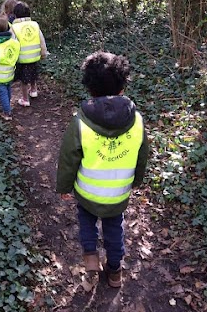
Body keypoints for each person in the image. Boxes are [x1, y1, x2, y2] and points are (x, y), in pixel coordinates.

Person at [56, 51, 149, 288]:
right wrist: (135, 182)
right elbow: (141, 156)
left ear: (90, 89)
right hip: (118, 193)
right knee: (114, 228)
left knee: (87, 224)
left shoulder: (81, 121)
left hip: (87, 192)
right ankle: (115, 271)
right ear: (122, 88)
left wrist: (64, 187)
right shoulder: (137, 120)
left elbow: (69, 158)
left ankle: (90, 263)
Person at [10, 2, 48, 107]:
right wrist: (43, 53)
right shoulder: (35, 25)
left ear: (15, 14)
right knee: (33, 74)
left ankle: (25, 99)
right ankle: (34, 90)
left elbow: (12, 43)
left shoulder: (14, 27)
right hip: (35, 56)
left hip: (22, 58)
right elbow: (41, 40)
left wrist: (11, 59)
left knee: (24, 79)